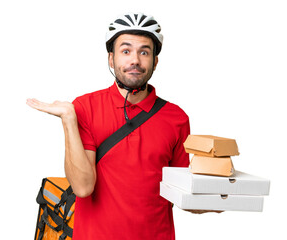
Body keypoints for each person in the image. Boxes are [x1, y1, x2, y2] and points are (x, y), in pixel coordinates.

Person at [27, 12, 216, 240]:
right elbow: (83, 187)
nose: (134, 60)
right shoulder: (86, 108)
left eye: (144, 52)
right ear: (111, 59)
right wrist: (69, 119)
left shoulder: (176, 118)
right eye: (125, 51)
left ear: (155, 61)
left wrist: (221, 198)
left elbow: (179, 193)